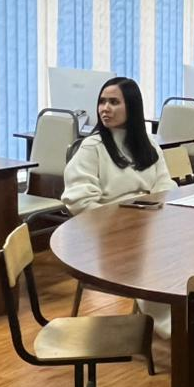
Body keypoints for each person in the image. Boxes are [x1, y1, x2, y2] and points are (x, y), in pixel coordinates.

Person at [62, 77, 177, 335]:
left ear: (132, 107)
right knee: (154, 263)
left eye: (114, 102)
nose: (105, 108)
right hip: (106, 237)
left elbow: (165, 186)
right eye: (102, 102)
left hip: (146, 228)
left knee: (182, 253)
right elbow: (78, 199)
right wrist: (120, 224)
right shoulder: (92, 147)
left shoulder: (149, 145)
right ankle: (174, 331)